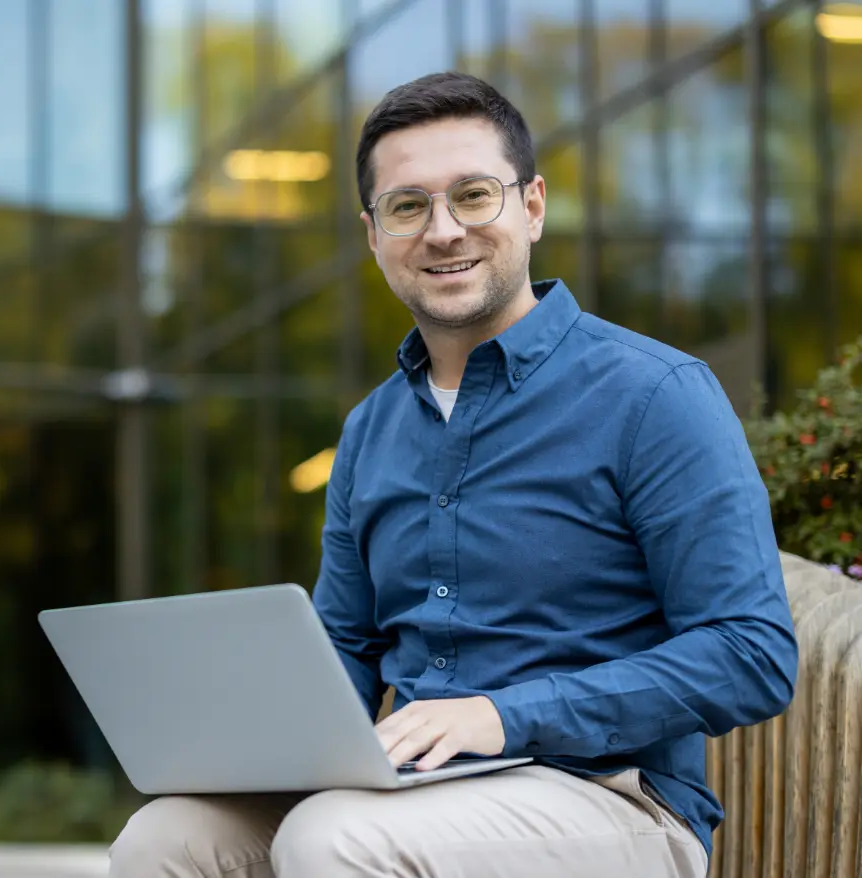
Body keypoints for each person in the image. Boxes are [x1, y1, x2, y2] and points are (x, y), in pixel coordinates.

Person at [108, 71, 799, 877]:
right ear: (374, 234)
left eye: (473, 196)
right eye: (408, 207)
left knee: (332, 837)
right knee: (164, 840)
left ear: (531, 207)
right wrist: (250, 736)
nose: (443, 231)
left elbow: (751, 653)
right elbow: (345, 647)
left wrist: (500, 717)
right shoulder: (370, 430)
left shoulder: (655, 395)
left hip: (612, 795)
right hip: (411, 786)